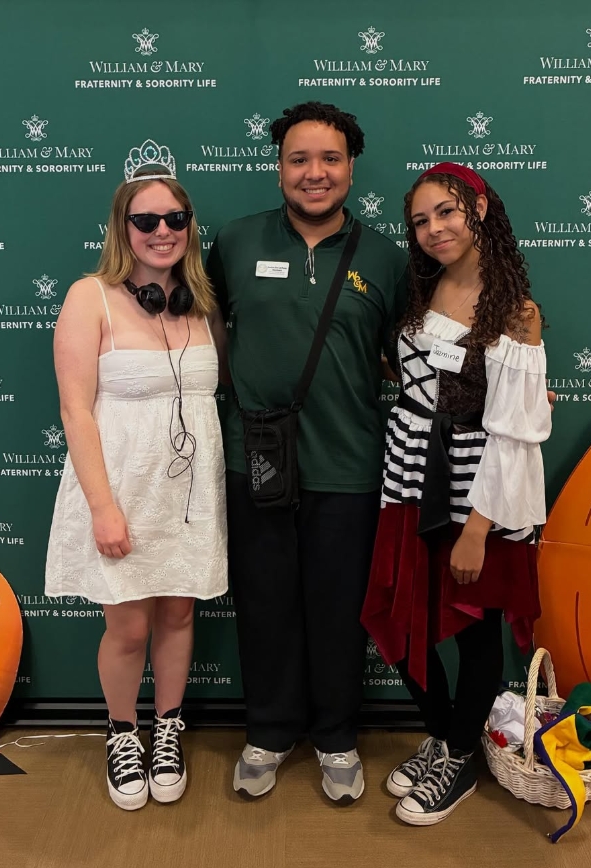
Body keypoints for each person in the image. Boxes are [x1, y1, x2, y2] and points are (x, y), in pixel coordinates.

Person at [206, 102, 409, 804]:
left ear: (351, 167)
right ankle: (267, 728)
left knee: (336, 608)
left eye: (329, 159)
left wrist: (519, 370)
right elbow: (200, 332)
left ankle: (335, 736)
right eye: (298, 159)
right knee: (262, 603)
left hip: (350, 463)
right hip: (253, 458)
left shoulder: (385, 257)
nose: (313, 173)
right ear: (279, 166)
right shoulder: (233, 242)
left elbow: (416, 352)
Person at [361, 162, 552, 826]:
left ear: (477, 208)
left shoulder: (516, 313)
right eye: (419, 221)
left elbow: (513, 433)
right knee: (403, 617)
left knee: (474, 632)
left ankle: (458, 760)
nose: (433, 230)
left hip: (476, 495)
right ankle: (446, 737)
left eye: (444, 212)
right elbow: (415, 371)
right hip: (407, 480)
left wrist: (478, 527)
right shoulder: (423, 287)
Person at [45, 143, 228, 811]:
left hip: (189, 495)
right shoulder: (88, 296)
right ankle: (123, 733)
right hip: (120, 487)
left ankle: (168, 728)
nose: (161, 232)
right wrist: (102, 506)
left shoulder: (200, 301)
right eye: (145, 220)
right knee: (127, 628)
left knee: (178, 613)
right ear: (122, 227)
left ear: (189, 227)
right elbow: (74, 409)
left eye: (174, 219)